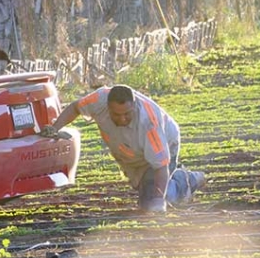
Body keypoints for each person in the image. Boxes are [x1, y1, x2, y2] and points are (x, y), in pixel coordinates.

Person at [41, 85, 205, 213]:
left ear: (134, 105)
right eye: (116, 114)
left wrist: (157, 200)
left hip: (165, 144)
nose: (122, 118)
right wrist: (55, 128)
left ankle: (187, 180)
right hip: (133, 151)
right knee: (144, 191)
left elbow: (160, 166)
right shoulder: (98, 99)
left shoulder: (149, 124)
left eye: (127, 114)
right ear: (107, 107)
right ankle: (171, 178)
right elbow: (75, 108)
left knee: (152, 202)